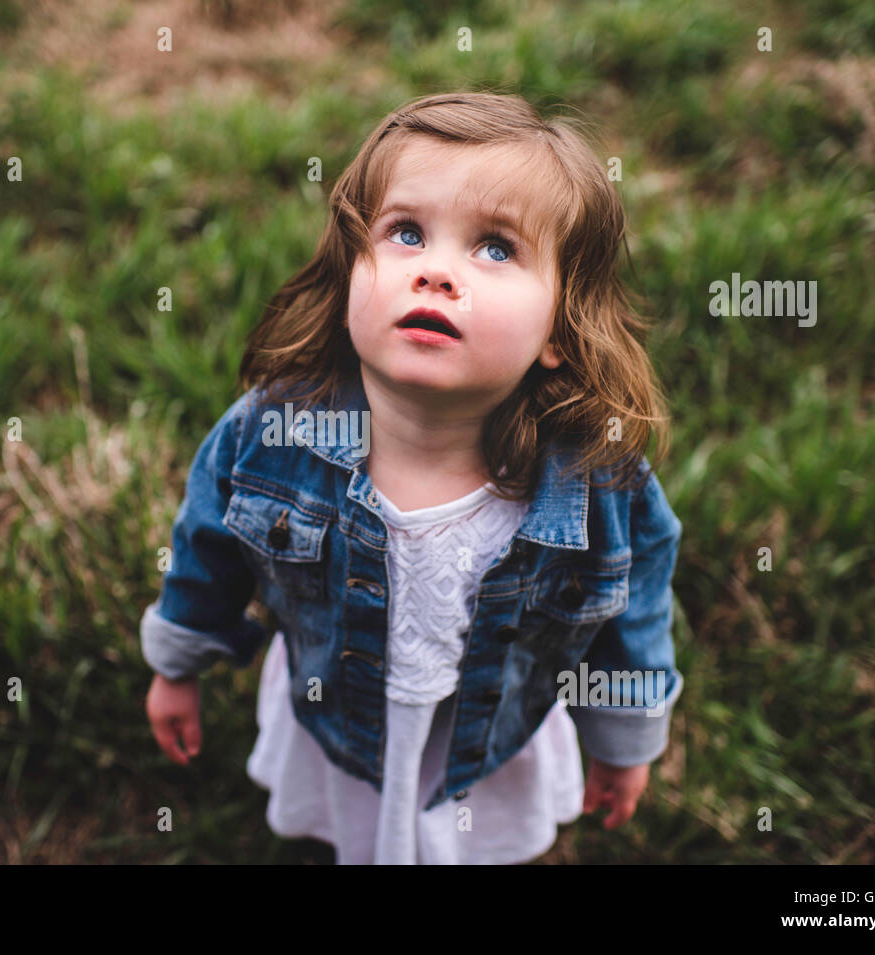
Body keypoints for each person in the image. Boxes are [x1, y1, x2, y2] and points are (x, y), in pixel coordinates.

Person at [141, 91, 683, 864]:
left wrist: (624, 736)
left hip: (489, 730)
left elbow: (632, 616)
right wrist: (178, 665)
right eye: (405, 233)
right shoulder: (273, 434)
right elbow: (206, 551)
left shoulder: (597, 479)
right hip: (337, 712)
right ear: (346, 279)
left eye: (496, 248)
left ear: (560, 331)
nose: (436, 271)